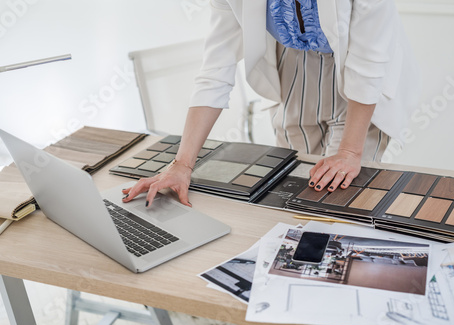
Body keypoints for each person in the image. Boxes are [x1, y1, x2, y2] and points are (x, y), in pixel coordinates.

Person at [123, 0, 420, 207]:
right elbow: (216, 68)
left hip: (358, 73)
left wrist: (349, 151)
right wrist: (181, 164)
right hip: (290, 65)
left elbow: (368, 62)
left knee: (339, 195)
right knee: (296, 188)